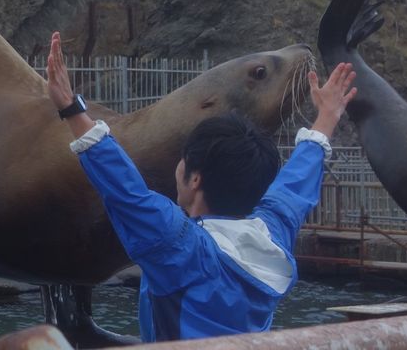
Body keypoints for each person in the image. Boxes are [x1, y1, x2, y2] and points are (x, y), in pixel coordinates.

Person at [45, 31, 356, 342]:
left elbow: (125, 190)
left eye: (184, 160)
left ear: (194, 179)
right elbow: (295, 187)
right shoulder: (273, 234)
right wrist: (326, 117)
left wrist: (70, 107)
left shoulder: (181, 248)